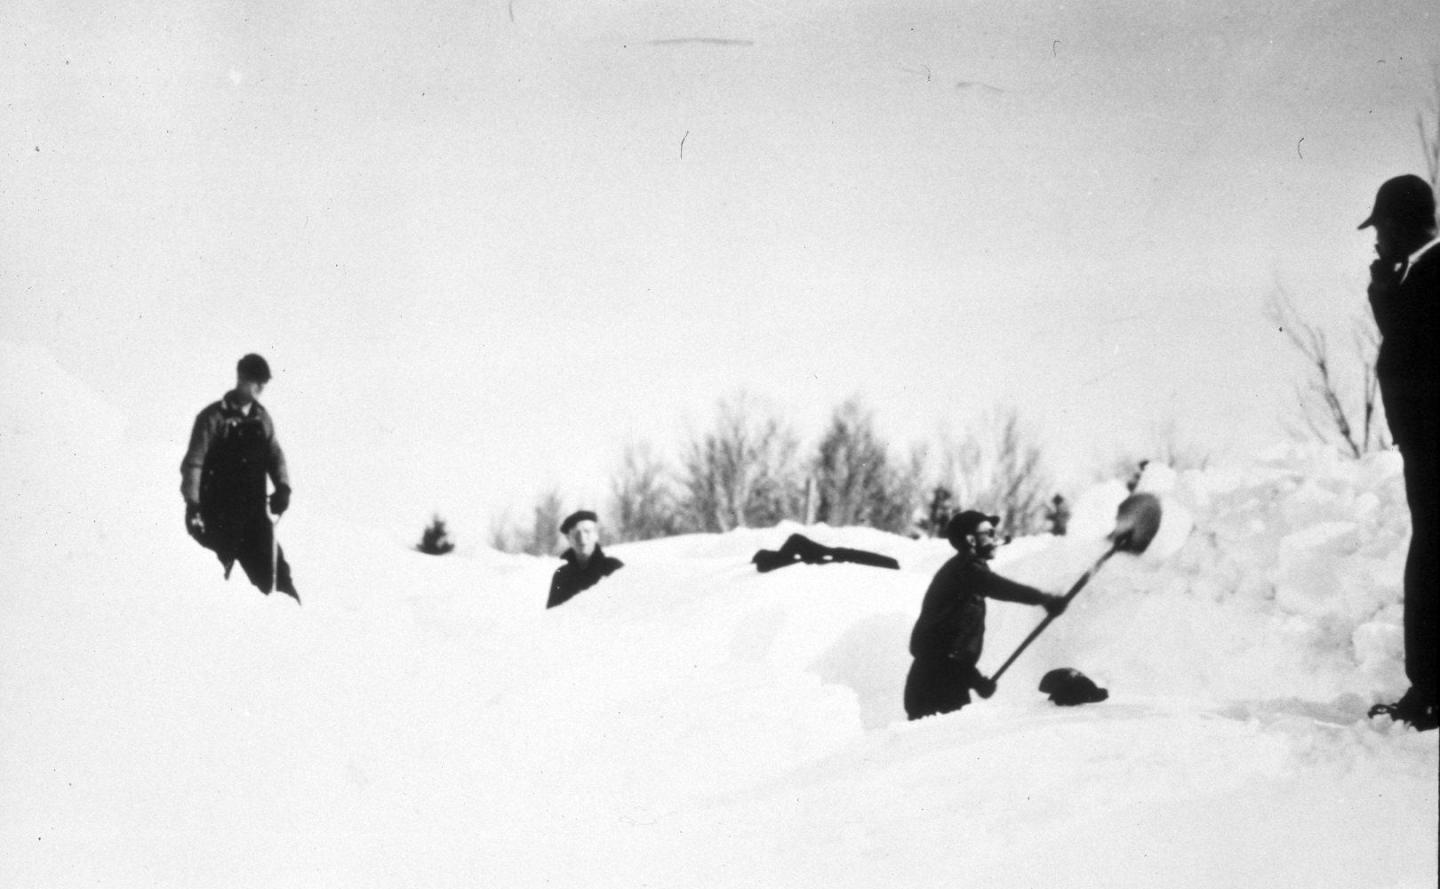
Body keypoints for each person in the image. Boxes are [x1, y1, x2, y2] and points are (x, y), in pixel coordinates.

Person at [1361, 174, 1439, 731]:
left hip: (1437, 447)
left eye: (1380, 230)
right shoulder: (1426, 273)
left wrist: (1385, 291)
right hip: (1428, 445)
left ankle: (1432, 692)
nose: (1376, 242)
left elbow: (1410, 351)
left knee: (1432, 563)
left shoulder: (1434, 274)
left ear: (1397, 225)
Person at [904, 510, 1066, 720]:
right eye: (988, 533)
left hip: (938, 681)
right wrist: (1045, 599)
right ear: (971, 540)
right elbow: (997, 587)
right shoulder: (966, 569)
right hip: (934, 686)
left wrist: (974, 679)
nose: (995, 538)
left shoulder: (964, 573)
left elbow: (950, 650)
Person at [181, 354, 299, 602]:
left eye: (263, 384)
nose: (260, 388)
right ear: (241, 378)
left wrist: (283, 487)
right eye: (255, 381)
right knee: (216, 584)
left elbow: (275, 455)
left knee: (278, 581)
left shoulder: (261, 418)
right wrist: (193, 506)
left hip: (254, 516)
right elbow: (194, 463)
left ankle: (292, 626)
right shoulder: (213, 418)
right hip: (219, 518)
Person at [546, 510, 623, 609]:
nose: (582, 538)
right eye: (576, 533)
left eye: (587, 532)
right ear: (568, 538)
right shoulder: (561, 575)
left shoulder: (613, 567)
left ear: (596, 535)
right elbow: (552, 618)